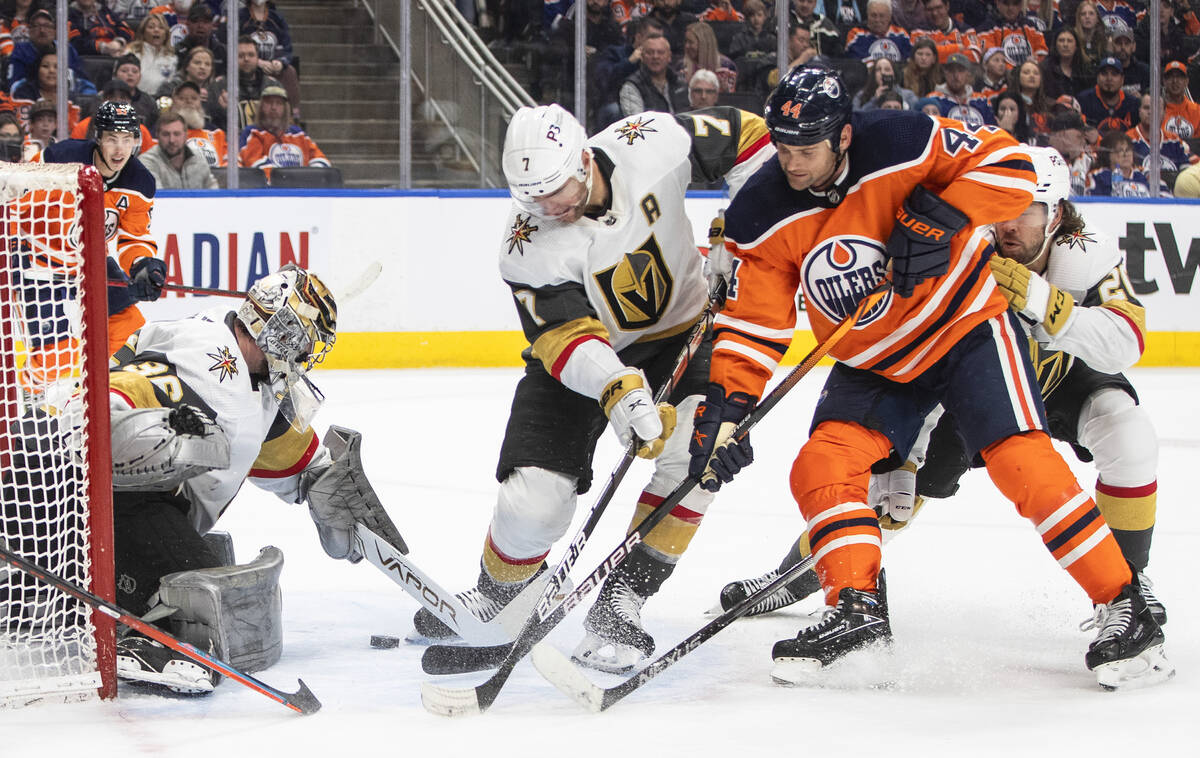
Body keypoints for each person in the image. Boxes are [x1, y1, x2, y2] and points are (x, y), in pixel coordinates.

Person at [687, 66, 1169, 690]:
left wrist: (941, 211)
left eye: (806, 150)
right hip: (874, 359)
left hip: (965, 329)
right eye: (782, 148)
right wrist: (727, 408)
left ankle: (1125, 607)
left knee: (1020, 461)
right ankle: (855, 612)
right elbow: (755, 326)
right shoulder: (762, 209)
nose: (792, 163)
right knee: (820, 467)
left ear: (843, 137)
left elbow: (1009, 167)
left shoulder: (903, 139)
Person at [410, 102, 775, 675]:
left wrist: (746, 230)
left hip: (687, 330)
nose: (549, 206)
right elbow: (564, 337)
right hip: (584, 357)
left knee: (697, 463)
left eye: (557, 188)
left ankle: (621, 602)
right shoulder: (525, 244)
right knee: (533, 499)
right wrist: (619, 389)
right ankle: (503, 595)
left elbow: (751, 135)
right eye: (532, 197)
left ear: (584, 157)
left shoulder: (650, 140)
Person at [102, 264, 395, 694]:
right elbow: (120, 396)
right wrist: (136, 426)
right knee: (206, 612)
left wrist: (325, 482)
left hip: (136, 506)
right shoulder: (208, 361)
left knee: (216, 595)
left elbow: (279, 447)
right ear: (280, 334)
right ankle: (146, 642)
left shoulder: (246, 368)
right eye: (302, 342)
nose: (304, 354)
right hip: (101, 509)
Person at [35, 101, 163, 356]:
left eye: (128, 140)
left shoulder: (140, 181)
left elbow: (134, 237)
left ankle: (112, 391)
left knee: (129, 334)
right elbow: (14, 199)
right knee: (54, 353)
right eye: (112, 139)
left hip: (90, 259)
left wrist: (143, 265)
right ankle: (35, 395)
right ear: (98, 138)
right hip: (36, 257)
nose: (120, 149)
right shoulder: (59, 160)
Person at [238, 83, 329, 169]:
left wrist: (310, 177)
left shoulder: (299, 134)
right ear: (261, 107)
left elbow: (321, 160)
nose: (273, 107)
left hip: (301, 184)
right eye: (269, 103)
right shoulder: (252, 133)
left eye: (279, 103)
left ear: (286, 108)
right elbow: (255, 165)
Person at [70, 80, 157, 153]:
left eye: (123, 98)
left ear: (130, 102)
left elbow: (148, 162)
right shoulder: (83, 127)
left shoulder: (142, 131)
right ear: (103, 101)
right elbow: (74, 156)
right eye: (111, 97)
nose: (117, 102)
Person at [140, 108, 217, 188]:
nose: (171, 140)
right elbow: (157, 197)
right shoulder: (147, 162)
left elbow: (214, 193)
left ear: (185, 135)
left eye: (177, 134)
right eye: (166, 134)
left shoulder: (198, 158)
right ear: (157, 135)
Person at [1127, 91, 1197, 175]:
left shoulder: (1175, 141)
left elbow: (1192, 169)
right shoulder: (1128, 140)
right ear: (1139, 112)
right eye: (1146, 108)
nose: (1151, 112)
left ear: (1164, 113)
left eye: (1156, 108)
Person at [617, 34, 688, 115]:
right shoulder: (631, 86)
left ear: (669, 56)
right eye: (649, 52)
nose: (655, 56)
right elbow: (637, 122)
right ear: (642, 57)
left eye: (660, 52)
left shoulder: (680, 82)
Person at [1087, 129, 1171, 196]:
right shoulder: (1098, 176)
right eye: (1119, 150)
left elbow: (1166, 196)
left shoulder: (1145, 173)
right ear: (1108, 155)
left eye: (1128, 150)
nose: (1125, 154)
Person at [1076, 56, 1139, 134]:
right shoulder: (1083, 100)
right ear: (1097, 77)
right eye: (1104, 73)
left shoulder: (1133, 104)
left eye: (1114, 74)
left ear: (1122, 79)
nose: (1109, 78)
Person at [977, 0, 1048, 68]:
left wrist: (1035, 62)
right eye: (1006, 3)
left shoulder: (1031, 26)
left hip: (1027, 72)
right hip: (1002, 76)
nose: (1010, 8)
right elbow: (991, 58)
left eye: (1015, 3)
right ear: (998, 3)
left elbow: (1042, 51)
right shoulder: (986, 28)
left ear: (1021, 5)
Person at [931, 52, 996, 126]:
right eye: (951, 71)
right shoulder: (934, 99)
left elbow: (991, 129)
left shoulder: (981, 100)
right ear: (945, 73)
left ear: (968, 73)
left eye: (960, 71)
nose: (956, 75)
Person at [123, 12, 176, 97]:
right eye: (151, 27)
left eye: (161, 28)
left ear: (166, 34)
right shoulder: (131, 52)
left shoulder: (172, 57)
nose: (156, 30)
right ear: (143, 32)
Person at [914, 0, 981, 62]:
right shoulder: (918, 32)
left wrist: (936, 50)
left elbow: (975, 56)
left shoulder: (966, 30)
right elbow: (919, 59)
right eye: (930, 9)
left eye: (939, 8)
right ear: (924, 11)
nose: (935, 13)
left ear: (947, 6)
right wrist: (957, 48)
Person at [845, 0, 913, 62]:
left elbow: (908, 62)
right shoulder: (856, 35)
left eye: (882, 16)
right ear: (867, 15)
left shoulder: (902, 35)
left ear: (889, 17)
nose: (877, 20)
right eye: (873, 15)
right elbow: (856, 65)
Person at [68, 0, 134, 57]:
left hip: (117, 53)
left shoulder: (105, 11)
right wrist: (103, 47)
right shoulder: (69, 15)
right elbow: (75, 44)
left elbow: (126, 30)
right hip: (89, 59)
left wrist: (119, 42)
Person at [1041, 27, 1091, 100]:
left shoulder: (1085, 69)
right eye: (1061, 41)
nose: (1065, 45)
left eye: (1069, 41)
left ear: (1076, 46)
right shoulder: (1045, 69)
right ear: (1055, 45)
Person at [853, 55, 918, 110]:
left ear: (894, 75)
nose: (883, 73)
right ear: (873, 74)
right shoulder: (861, 95)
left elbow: (917, 116)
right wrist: (874, 100)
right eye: (878, 69)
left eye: (887, 69)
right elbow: (857, 117)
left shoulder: (908, 95)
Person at [1162, 60, 1200, 140]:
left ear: (1186, 81)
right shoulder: (1156, 110)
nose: (1175, 81)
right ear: (1164, 81)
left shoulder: (1197, 111)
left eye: (1179, 77)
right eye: (1170, 77)